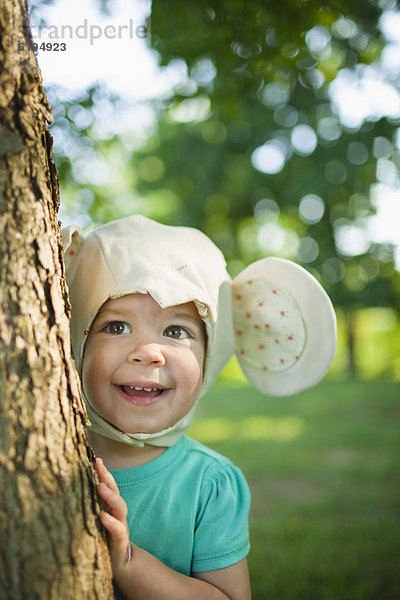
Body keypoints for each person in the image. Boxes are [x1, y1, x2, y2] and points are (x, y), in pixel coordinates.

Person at [62, 214, 337, 600]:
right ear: (76, 339)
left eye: (176, 331)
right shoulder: (40, 456)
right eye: (116, 326)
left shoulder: (210, 485)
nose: (148, 353)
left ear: (211, 357)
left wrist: (126, 561)